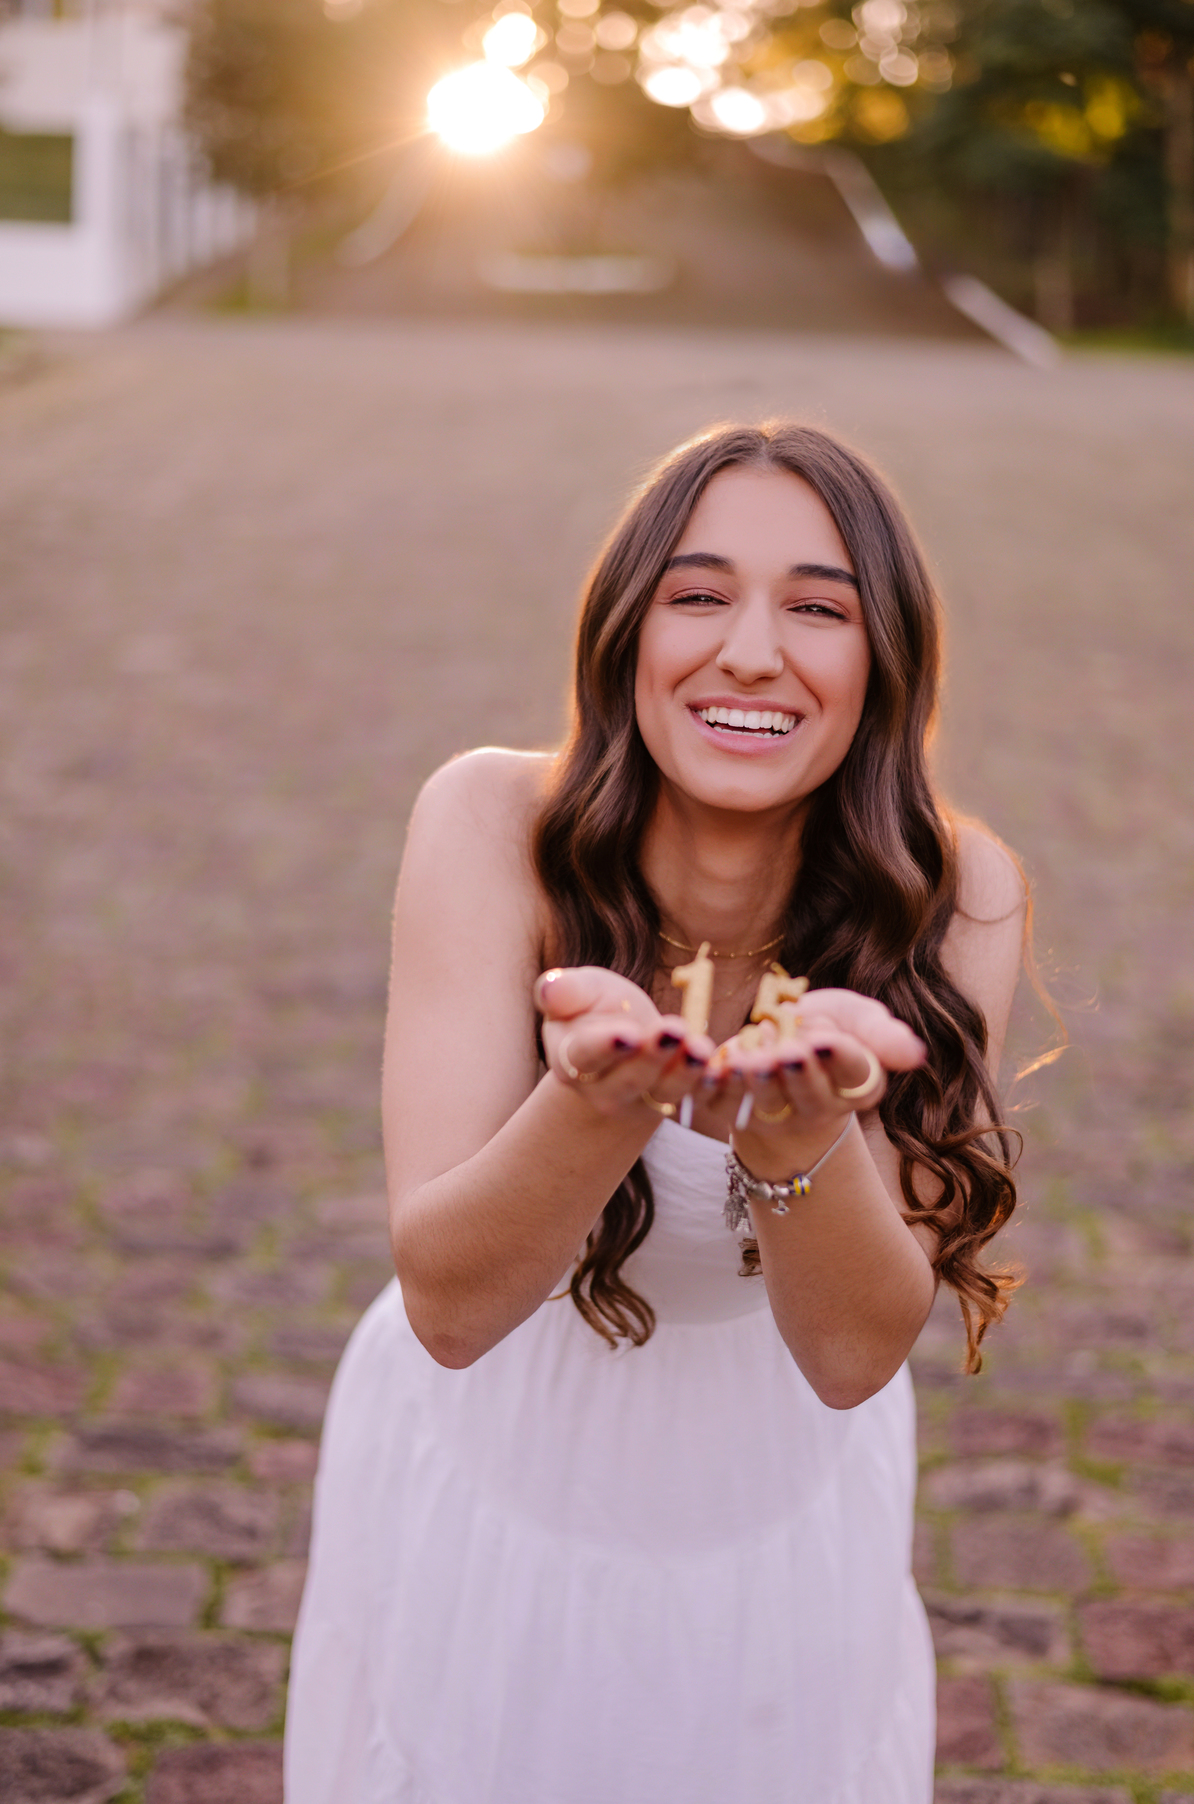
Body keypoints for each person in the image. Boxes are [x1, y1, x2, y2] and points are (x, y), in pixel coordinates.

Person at [285, 421, 1027, 1804]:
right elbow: (449, 1304)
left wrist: (797, 1137)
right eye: (698, 594)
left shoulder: (958, 890)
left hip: (777, 1505)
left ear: (887, 663)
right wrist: (598, 1103)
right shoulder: (490, 821)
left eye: (819, 607)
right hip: (493, 1467)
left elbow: (858, 1352)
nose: (752, 649)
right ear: (625, 633)